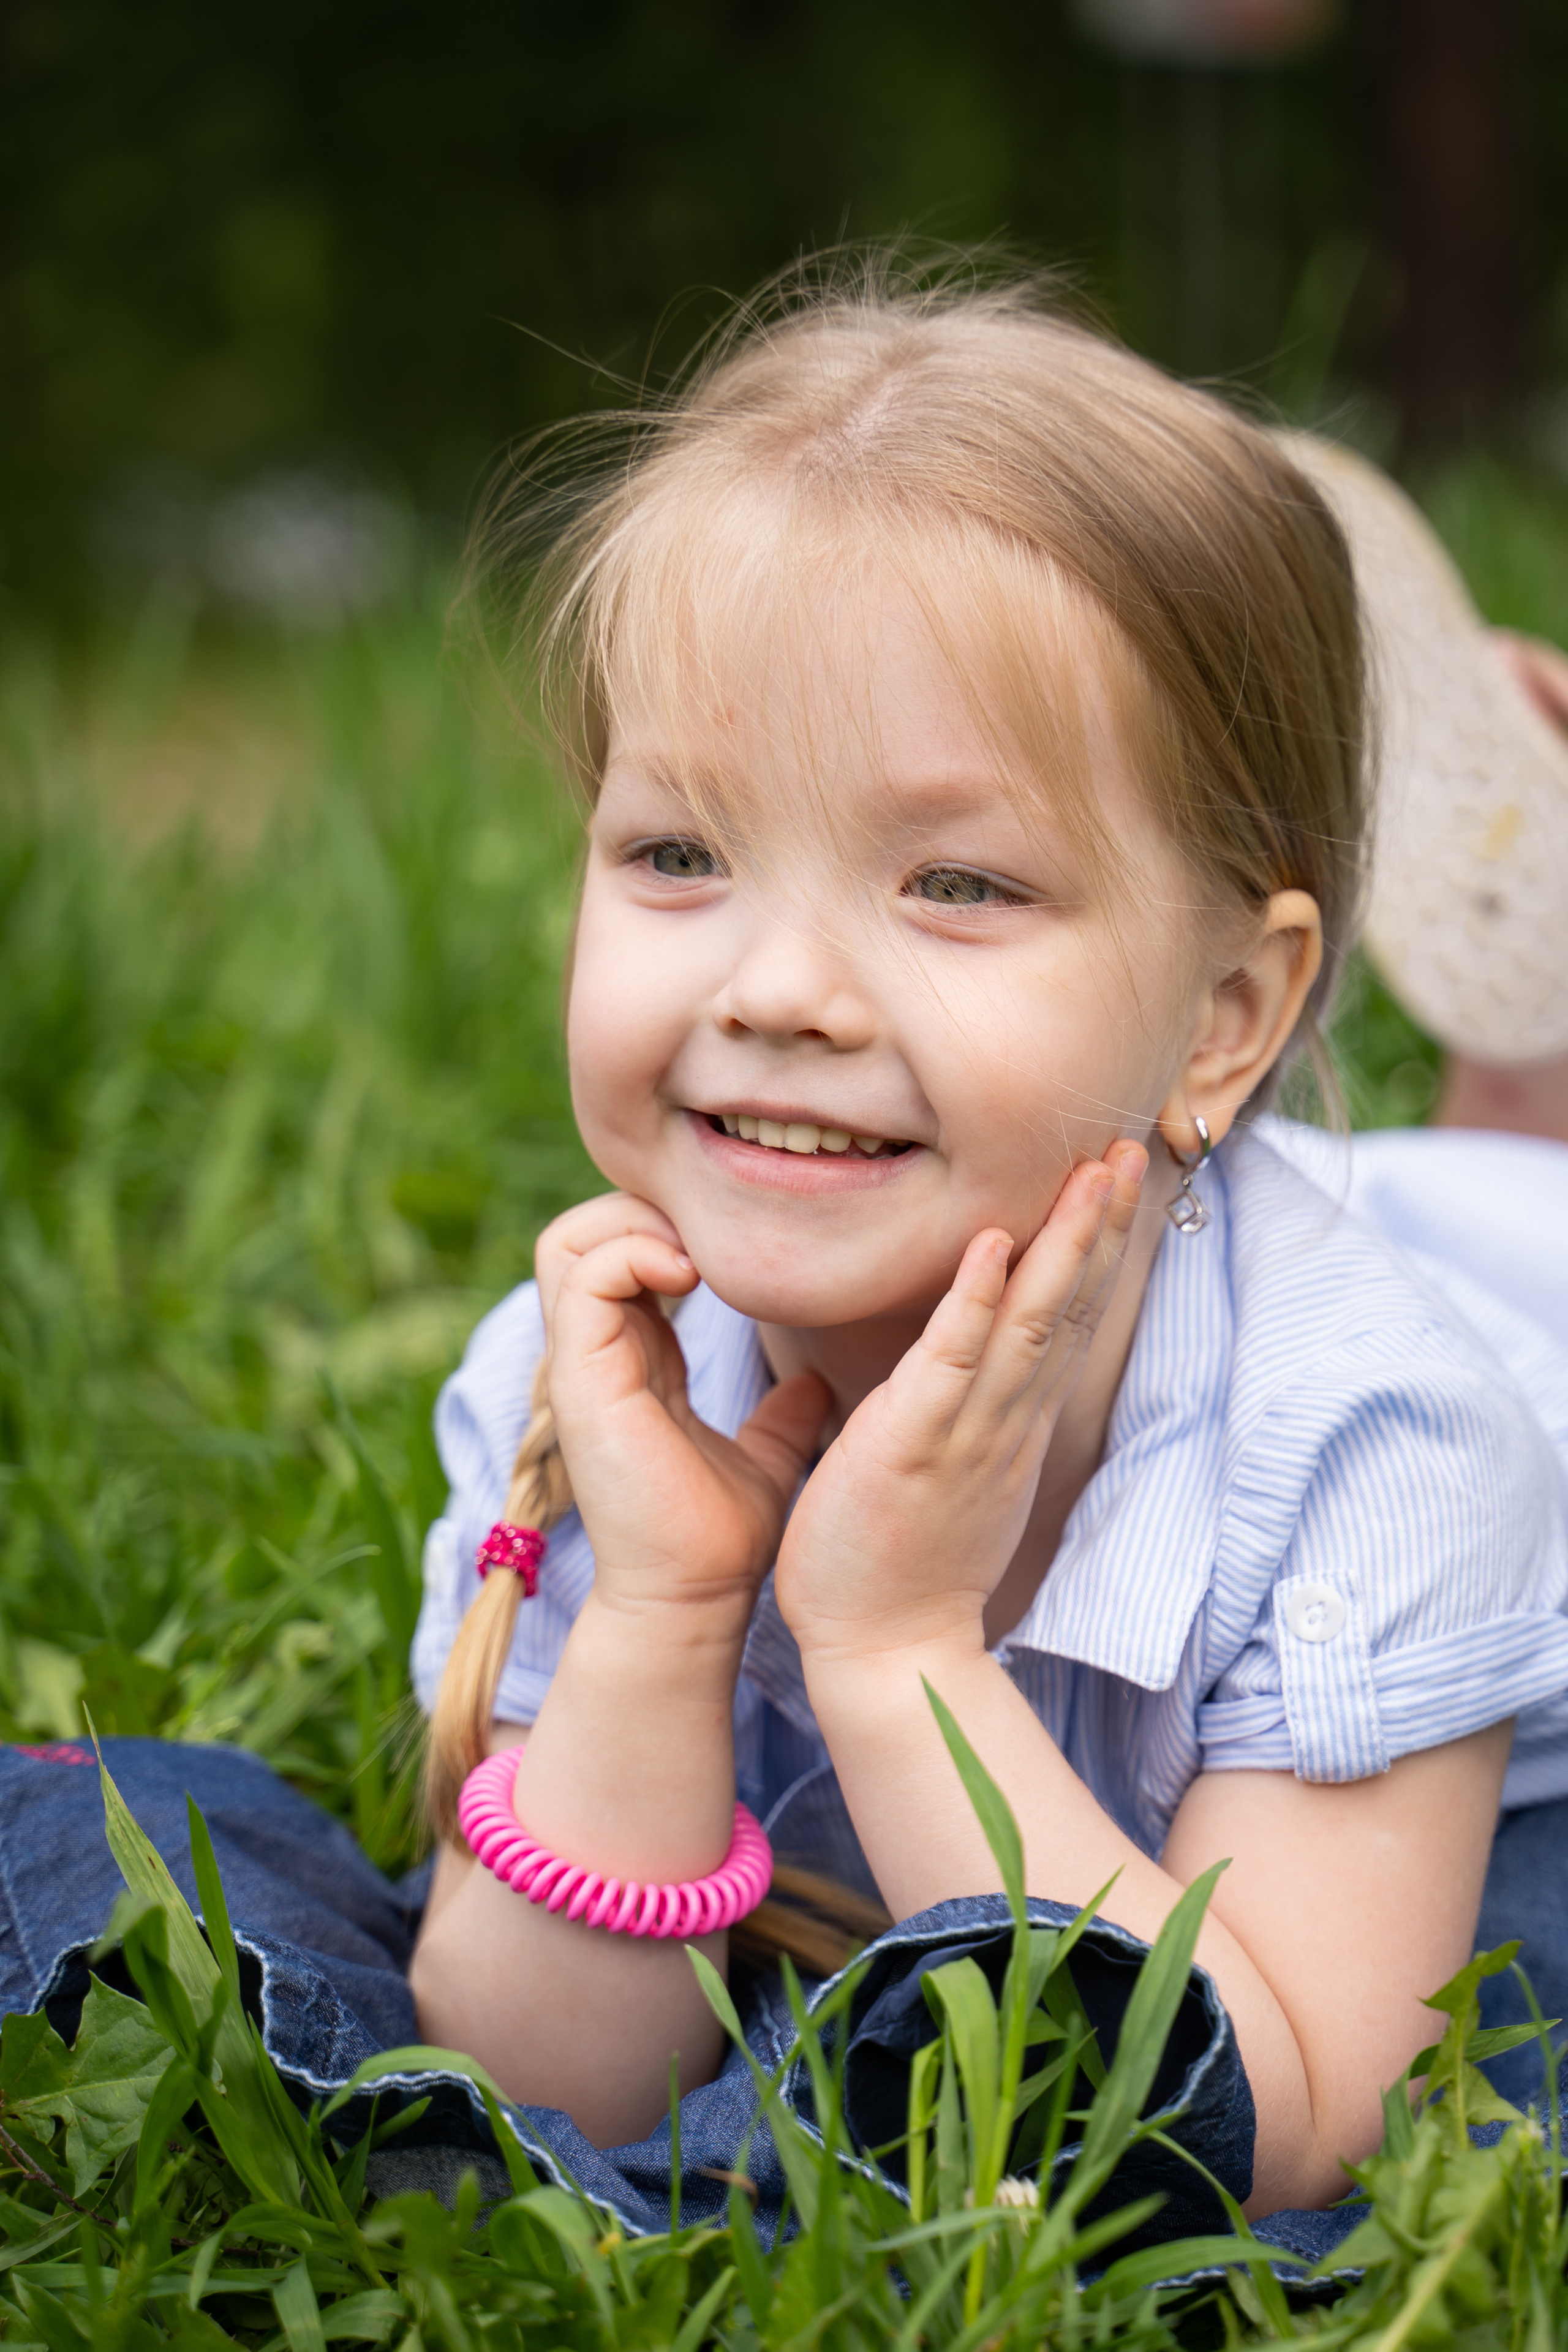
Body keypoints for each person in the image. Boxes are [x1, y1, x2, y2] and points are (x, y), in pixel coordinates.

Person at [401, 262, 1568, 2234]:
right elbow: (528, 2093)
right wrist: (667, 1615)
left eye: (953, 882)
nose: (777, 989)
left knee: (1511, 1206)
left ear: (1223, 1016)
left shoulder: (1386, 1446)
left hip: (1519, 1305)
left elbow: (1279, 2125)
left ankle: (1524, 1050)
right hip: (1195, 1181)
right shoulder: (590, 1381)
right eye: (679, 852)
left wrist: (893, 1649)